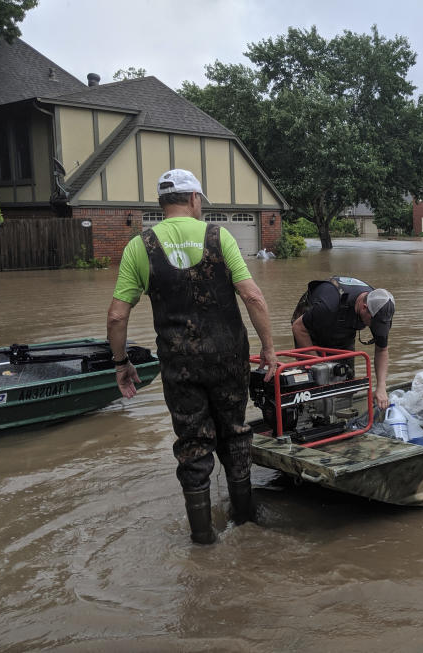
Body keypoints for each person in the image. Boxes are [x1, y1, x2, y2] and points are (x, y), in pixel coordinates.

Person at [106, 168, 278, 545]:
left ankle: (202, 541)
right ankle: (245, 525)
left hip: (179, 365)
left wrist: (121, 364)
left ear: (162, 203)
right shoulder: (219, 237)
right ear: (195, 200)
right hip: (228, 359)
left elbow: (118, 315)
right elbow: (253, 297)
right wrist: (268, 348)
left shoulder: (140, 246)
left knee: (193, 445)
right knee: (234, 435)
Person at [290, 276, 394, 412]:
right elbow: (298, 328)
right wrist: (319, 364)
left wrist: (381, 386)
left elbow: (382, 350)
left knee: (346, 380)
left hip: (344, 329)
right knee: (317, 378)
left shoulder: (381, 311)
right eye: (374, 323)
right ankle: (309, 413)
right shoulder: (329, 305)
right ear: (364, 308)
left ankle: (340, 414)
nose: (375, 327)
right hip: (309, 327)